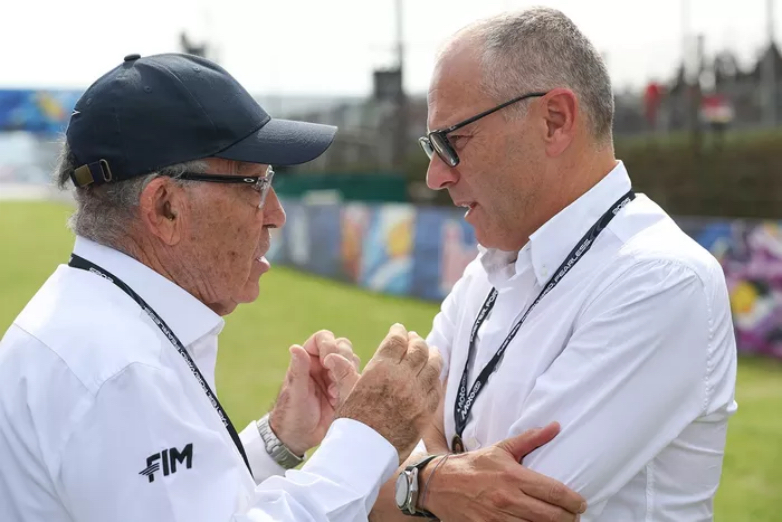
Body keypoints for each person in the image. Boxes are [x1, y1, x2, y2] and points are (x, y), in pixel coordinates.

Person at [0, 52, 585, 522]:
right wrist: (367, 435)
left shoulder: (101, 325)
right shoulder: (118, 368)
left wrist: (278, 440)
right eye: (255, 184)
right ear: (166, 206)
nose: (275, 213)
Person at [370, 8, 738, 522]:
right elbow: (372, 461)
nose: (436, 175)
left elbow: (514, 511)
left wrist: (412, 476)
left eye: (452, 141)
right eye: (432, 146)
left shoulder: (661, 279)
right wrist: (434, 486)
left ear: (555, 120)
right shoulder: (487, 273)